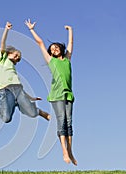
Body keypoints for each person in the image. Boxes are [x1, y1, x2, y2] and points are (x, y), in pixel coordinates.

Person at [25, 19, 77, 165]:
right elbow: (40, 43)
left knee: (69, 122)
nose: (54, 49)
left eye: (56, 47)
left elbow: (71, 44)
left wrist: (70, 30)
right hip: (56, 95)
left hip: (68, 94)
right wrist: (31, 29)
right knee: (61, 122)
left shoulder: (67, 59)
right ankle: (64, 152)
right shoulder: (51, 61)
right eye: (52, 48)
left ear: (60, 48)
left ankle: (71, 150)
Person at [0, 21, 50, 124]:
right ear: (9, 53)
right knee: (6, 119)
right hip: (6, 90)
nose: (16, 57)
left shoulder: (13, 69)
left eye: (18, 58)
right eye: (16, 55)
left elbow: (20, 88)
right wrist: (6, 29)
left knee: (32, 114)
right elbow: (2, 43)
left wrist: (32, 98)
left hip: (18, 89)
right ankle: (4, 104)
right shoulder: (2, 59)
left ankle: (40, 112)